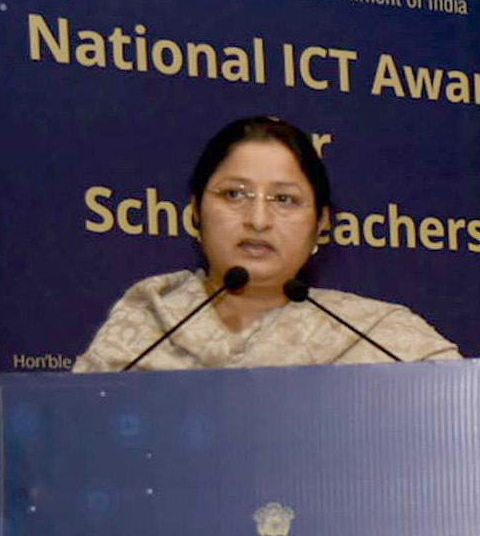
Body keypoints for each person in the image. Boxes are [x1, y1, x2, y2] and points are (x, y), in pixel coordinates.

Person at [73, 116, 459, 371]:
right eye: (234, 194)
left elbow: (477, 424)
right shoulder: (142, 331)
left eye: (284, 199)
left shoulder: (383, 338)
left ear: (320, 224)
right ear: (195, 212)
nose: (257, 220)